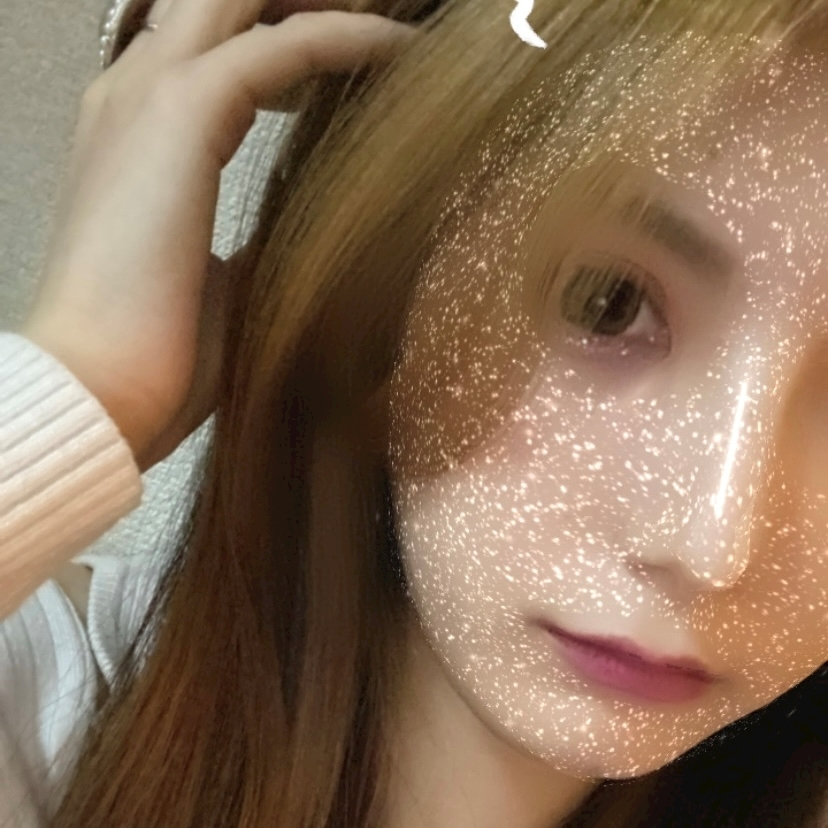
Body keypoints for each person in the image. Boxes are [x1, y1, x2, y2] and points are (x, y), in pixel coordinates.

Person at [0, 0, 826, 826]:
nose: (710, 547)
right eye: (604, 301)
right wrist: (89, 377)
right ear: (391, 265)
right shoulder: (43, 710)